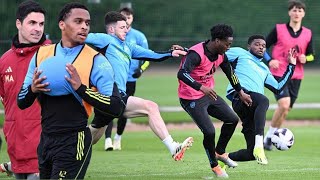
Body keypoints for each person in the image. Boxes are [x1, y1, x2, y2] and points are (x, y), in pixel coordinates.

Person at [17, 2, 124, 179]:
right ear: (62, 24)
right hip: (45, 141)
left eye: (87, 23)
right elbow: (21, 101)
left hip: (75, 141)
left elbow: (116, 106)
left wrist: (81, 89)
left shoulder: (97, 60)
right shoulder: (41, 55)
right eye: (78, 21)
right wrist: (33, 89)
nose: (84, 26)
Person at [85, 11, 194, 161]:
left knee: (91, 138)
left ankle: (69, 150)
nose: (126, 30)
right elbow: (81, 36)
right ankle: (173, 147)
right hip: (108, 95)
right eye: (122, 27)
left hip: (117, 97)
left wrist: (171, 53)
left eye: (127, 27)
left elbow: (152, 54)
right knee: (151, 107)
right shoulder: (105, 39)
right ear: (111, 30)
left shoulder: (128, 46)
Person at [177, 24, 252, 178]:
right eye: (227, 44)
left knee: (232, 119)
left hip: (208, 95)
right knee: (209, 131)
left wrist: (241, 92)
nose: (229, 47)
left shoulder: (221, 55)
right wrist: (201, 87)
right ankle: (215, 166)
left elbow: (230, 73)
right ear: (217, 41)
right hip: (190, 97)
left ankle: (219, 152)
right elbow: (182, 73)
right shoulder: (196, 54)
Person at [224, 35, 296, 166]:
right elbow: (214, 53)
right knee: (264, 100)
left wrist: (291, 65)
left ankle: (224, 158)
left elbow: (278, 88)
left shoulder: (265, 69)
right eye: (257, 44)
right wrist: (187, 51)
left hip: (251, 106)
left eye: (263, 46)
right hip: (239, 96)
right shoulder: (240, 53)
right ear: (248, 46)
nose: (261, 47)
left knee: (250, 154)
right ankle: (259, 144)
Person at [0, 1, 50, 179]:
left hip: (44, 152)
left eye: (41, 24)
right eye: (32, 23)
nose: (38, 29)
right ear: (18, 23)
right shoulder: (4, 61)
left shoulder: (52, 56)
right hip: (16, 152)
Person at [263, 0, 314, 150]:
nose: (297, 13)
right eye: (294, 10)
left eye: (300, 10)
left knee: (286, 110)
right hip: (279, 73)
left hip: (297, 75)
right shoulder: (279, 29)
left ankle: (269, 138)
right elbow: (262, 46)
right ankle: (269, 138)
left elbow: (312, 55)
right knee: (284, 104)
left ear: (303, 14)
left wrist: (306, 58)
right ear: (289, 12)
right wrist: (270, 59)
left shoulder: (308, 33)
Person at [104, 7, 150, 151]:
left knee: (123, 110)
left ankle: (118, 137)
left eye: (128, 17)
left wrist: (141, 70)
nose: (126, 20)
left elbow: (148, 57)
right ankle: (107, 140)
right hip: (112, 79)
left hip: (130, 80)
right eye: (123, 17)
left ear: (132, 19)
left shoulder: (139, 36)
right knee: (109, 108)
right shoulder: (111, 35)